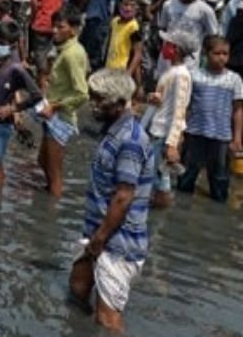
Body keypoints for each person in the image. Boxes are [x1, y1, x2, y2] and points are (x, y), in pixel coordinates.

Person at [69, 70, 153, 333]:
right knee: (78, 287)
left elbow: (123, 197)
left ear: (117, 103)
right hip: (98, 232)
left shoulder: (130, 140)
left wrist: (100, 239)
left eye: (98, 100)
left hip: (117, 242)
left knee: (107, 320)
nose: (92, 105)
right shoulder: (113, 130)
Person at [176, 35, 243, 202]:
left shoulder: (234, 80)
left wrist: (237, 138)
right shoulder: (195, 76)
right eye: (217, 53)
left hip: (221, 136)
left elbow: (238, 111)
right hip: (195, 132)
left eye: (225, 54)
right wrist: (180, 132)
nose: (222, 57)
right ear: (205, 54)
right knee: (187, 174)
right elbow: (186, 106)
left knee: (220, 178)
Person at [0, 21, 43, 187]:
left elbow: (37, 95)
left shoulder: (17, 69)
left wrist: (13, 109)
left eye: (2, 43)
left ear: (13, 45)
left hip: (1, 123)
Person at [37, 5, 90, 197]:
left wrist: (55, 106)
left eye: (60, 27)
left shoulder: (72, 54)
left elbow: (82, 94)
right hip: (52, 114)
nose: (54, 31)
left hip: (61, 117)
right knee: (43, 162)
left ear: (74, 29)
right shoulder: (65, 50)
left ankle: (50, 214)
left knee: (55, 173)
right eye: (54, 26)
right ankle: (48, 197)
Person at [144, 29, 195, 208]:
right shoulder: (171, 71)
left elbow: (180, 109)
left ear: (177, 50)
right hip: (157, 128)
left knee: (159, 177)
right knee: (157, 176)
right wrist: (156, 98)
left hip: (163, 134)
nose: (163, 47)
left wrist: (172, 143)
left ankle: (159, 212)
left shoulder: (181, 75)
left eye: (168, 44)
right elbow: (168, 101)